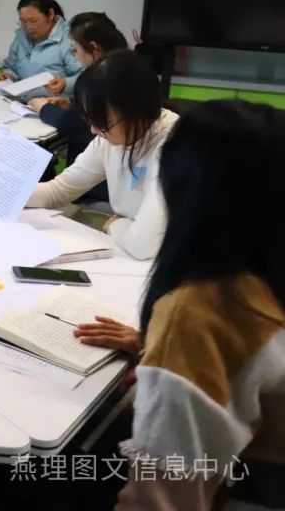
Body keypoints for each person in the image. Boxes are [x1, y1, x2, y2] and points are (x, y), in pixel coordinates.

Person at [114, 100, 285, 510]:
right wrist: (151, 346)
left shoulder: (199, 310)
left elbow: (161, 500)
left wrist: (180, 349)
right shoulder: (264, 279)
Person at [24, 49, 176, 260]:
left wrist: (116, 225)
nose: (94, 130)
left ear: (137, 110)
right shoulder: (111, 138)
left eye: (103, 122)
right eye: (90, 119)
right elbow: (58, 191)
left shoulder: (173, 145)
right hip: (130, 253)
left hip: (169, 262)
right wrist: (4, 190)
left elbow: (143, 245)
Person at [27, 12, 129, 202]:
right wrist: (71, 106)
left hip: (97, 194)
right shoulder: (125, 68)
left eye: (75, 50)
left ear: (94, 49)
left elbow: (77, 125)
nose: (75, 56)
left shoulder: (104, 78)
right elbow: (58, 190)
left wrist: (44, 109)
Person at [0, 0, 82, 99]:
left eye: (33, 21)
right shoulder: (21, 36)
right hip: (20, 102)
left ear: (50, 14)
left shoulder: (69, 38)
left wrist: (65, 83)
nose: (28, 27)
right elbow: (10, 66)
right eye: (23, 21)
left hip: (54, 104)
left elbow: (85, 76)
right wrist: (8, 76)